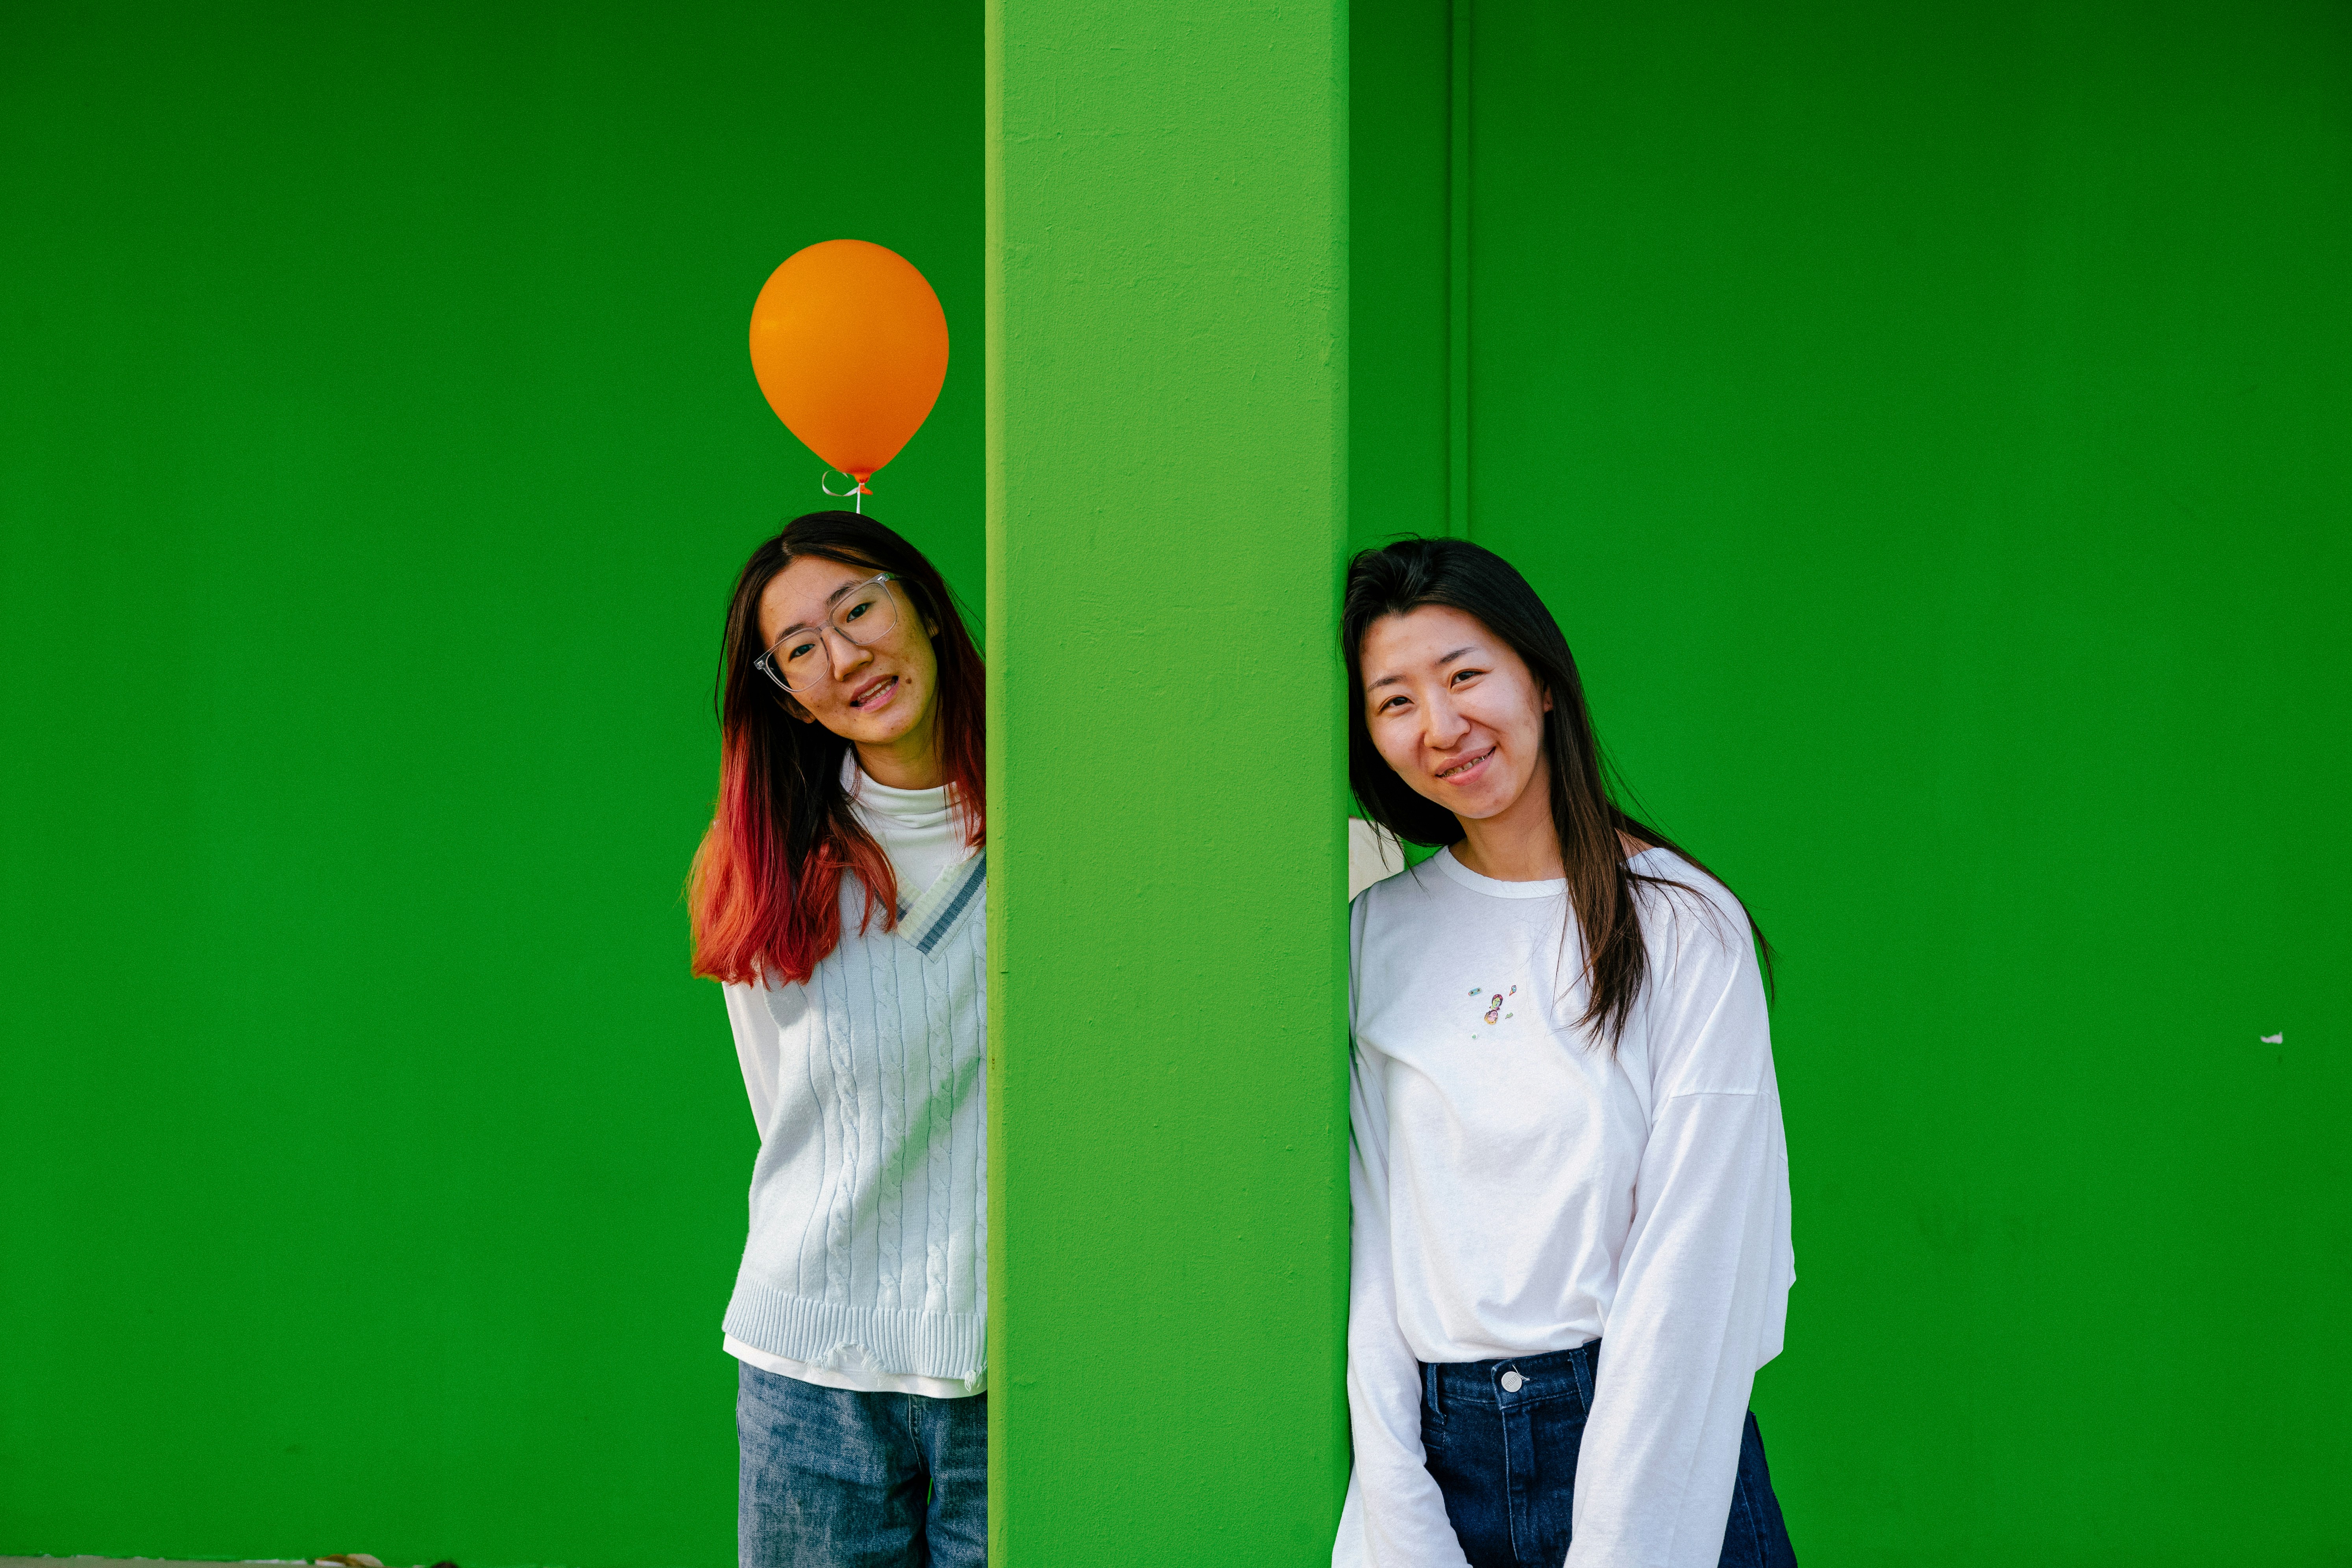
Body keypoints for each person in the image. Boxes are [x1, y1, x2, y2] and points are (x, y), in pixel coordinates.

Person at [1332, 537, 1797, 1568]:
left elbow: (1700, 1263)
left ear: (1539, 681)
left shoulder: (1683, 925)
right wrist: (1403, 1521)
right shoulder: (1377, 937)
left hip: (1654, 1446)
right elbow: (1374, 1252)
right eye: (1394, 700)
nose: (1441, 727)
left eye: (1464, 676)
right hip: (1444, 1466)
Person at [688, 510, 989, 1568]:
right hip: (812, 1381)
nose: (846, 656)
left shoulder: (1064, 821)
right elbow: (791, 1114)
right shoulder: (770, 858)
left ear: (926, 610)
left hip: (1016, 1381)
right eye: (802, 649)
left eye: (859, 608)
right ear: (789, 699)